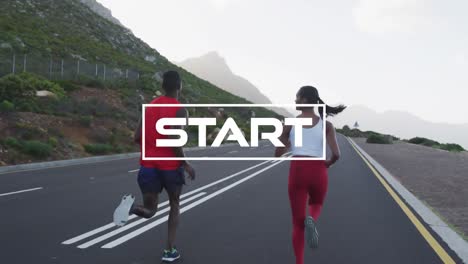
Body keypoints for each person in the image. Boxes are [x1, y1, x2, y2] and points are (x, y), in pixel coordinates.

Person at [113, 70, 196, 262]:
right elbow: (175, 142)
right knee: (174, 205)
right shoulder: (180, 109)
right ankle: (169, 251)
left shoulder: (149, 107)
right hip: (170, 169)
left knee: (149, 210)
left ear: (162, 86)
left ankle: (131, 208)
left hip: (148, 167)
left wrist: (151, 145)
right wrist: (186, 164)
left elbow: (136, 137)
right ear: (179, 86)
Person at [275, 86, 345, 264]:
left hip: (297, 171)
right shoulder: (326, 125)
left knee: (296, 225)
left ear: (305, 100)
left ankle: (299, 262)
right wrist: (327, 165)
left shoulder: (290, 123)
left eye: (297, 98)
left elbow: (278, 153)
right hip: (318, 170)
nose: (295, 101)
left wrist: (290, 144)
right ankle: (312, 219)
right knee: (317, 203)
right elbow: (337, 155)